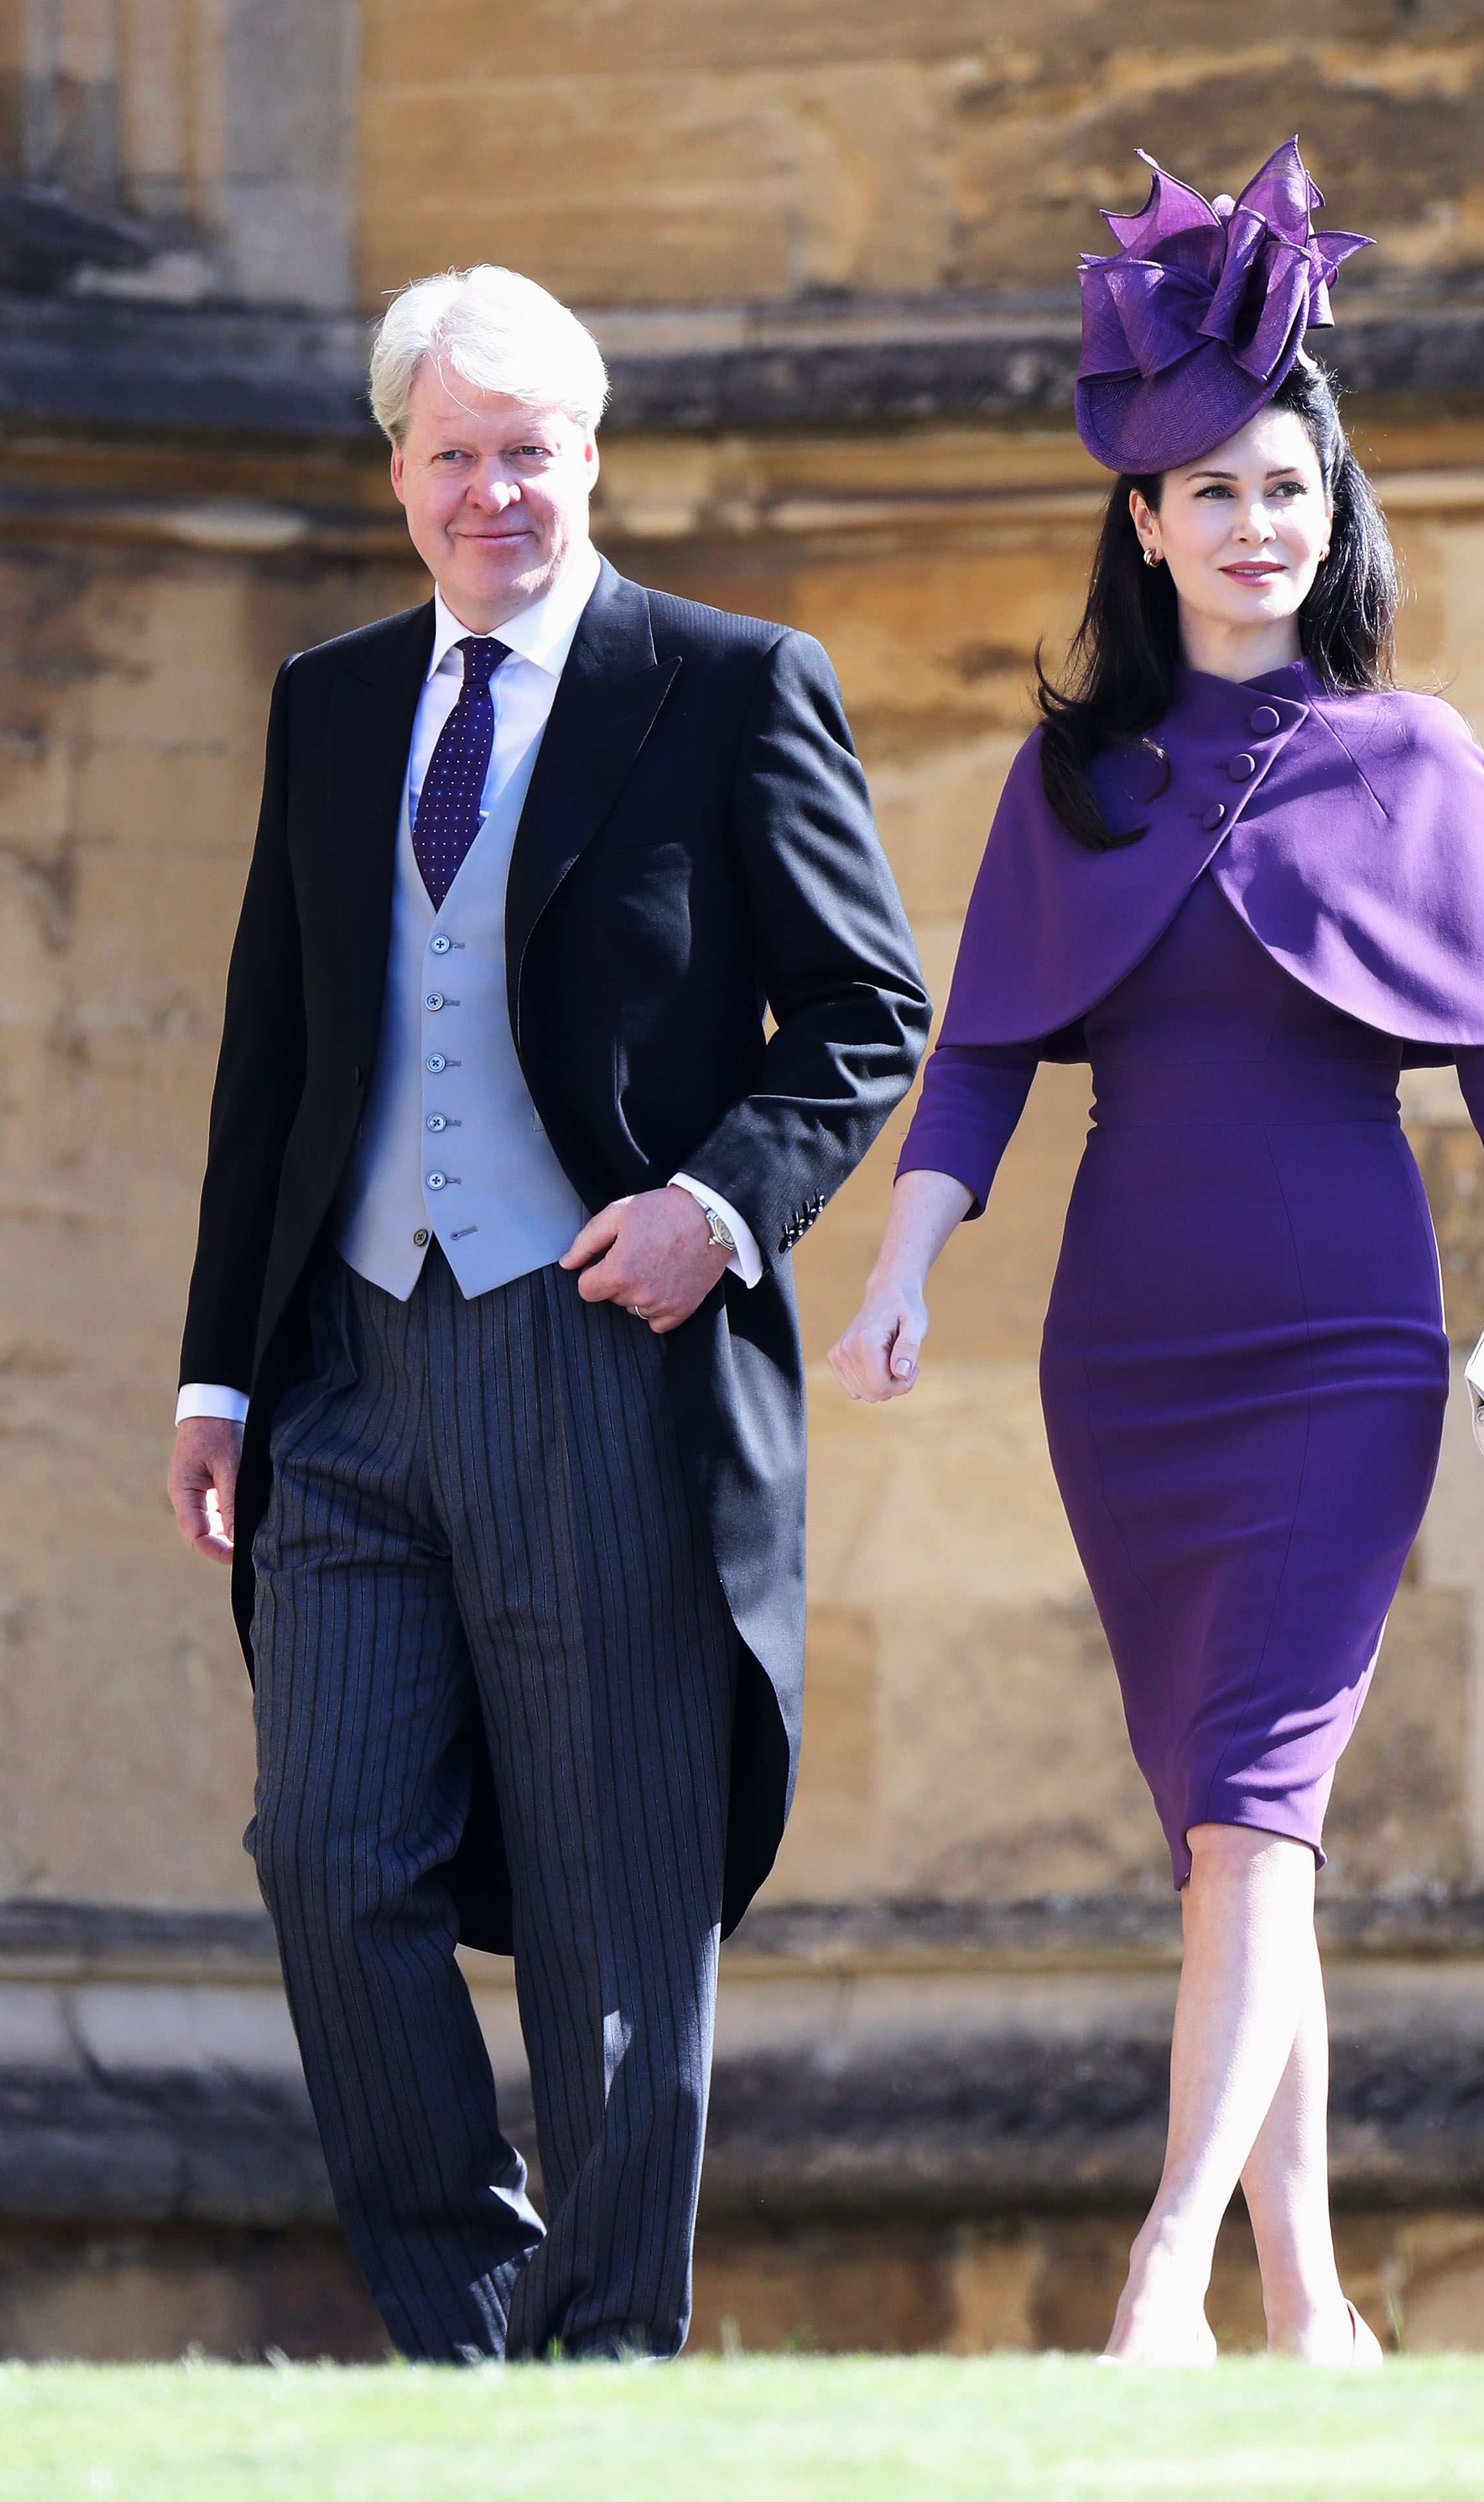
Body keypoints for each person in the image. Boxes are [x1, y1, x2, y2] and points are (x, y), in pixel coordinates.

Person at [830, 140, 1484, 2364]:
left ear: (1327, 502)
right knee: (1227, 1832)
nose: (1253, 520)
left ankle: (1161, 2267)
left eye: (1285, 483)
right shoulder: (1070, 776)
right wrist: (905, 1263)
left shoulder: (1422, 759)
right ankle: (1310, 2297)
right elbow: (986, 1055)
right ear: (1145, 520)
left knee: (1256, 1823)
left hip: (1341, 1350)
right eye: (1208, 490)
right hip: (1131, 1353)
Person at [165, 265, 929, 2363]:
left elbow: (868, 1014)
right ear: (395, 469)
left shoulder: (726, 679)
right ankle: (466, 2327)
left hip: (595, 1350)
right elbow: (275, 1053)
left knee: (611, 1902)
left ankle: (595, 2377)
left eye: (531, 452)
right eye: (453, 455)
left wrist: (714, 1207)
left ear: (590, 458)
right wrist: (219, 1369)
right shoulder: (329, 700)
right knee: (326, 1854)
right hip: (344, 1366)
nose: (492, 490)